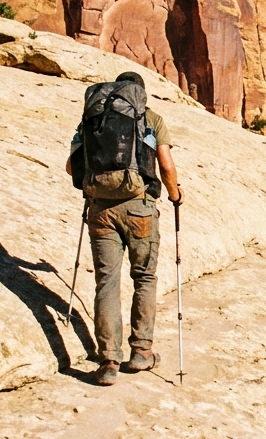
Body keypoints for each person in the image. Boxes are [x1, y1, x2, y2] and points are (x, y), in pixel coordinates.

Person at [67, 71, 183, 386]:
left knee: (107, 283)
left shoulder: (93, 118)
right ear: (139, 94)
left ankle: (108, 361)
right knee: (144, 278)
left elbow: (71, 166)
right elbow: (166, 165)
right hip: (140, 208)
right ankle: (142, 352)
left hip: (101, 209)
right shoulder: (150, 119)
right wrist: (175, 195)